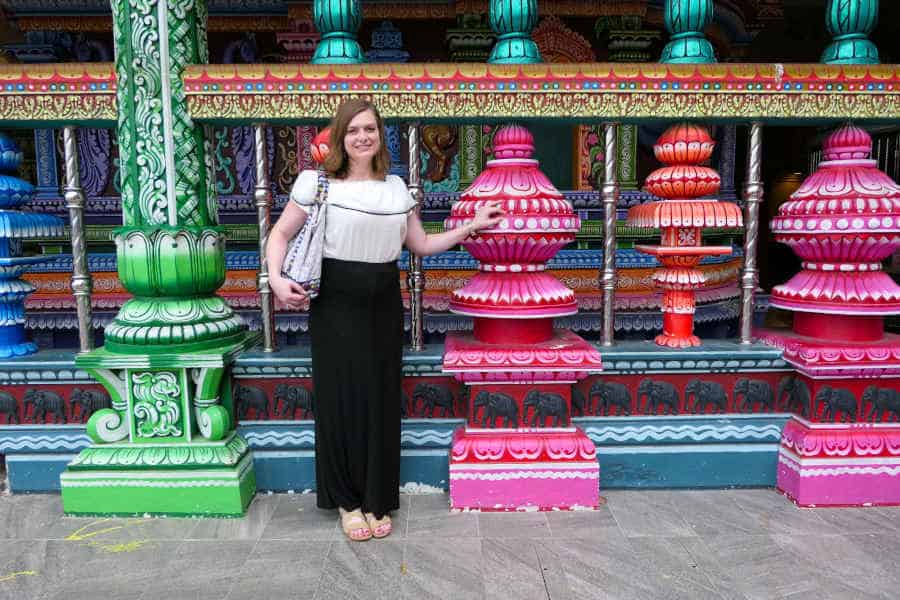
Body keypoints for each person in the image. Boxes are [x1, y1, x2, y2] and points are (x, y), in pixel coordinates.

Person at [266, 98, 503, 541]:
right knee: (341, 400)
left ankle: (376, 498)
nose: (361, 137)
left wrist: (471, 225)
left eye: (369, 129)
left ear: (380, 136)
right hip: (335, 300)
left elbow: (422, 244)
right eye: (353, 130)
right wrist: (276, 279)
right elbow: (280, 233)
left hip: (383, 301)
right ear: (340, 137)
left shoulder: (397, 189)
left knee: (379, 398)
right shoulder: (316, 184)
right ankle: (347, 501)